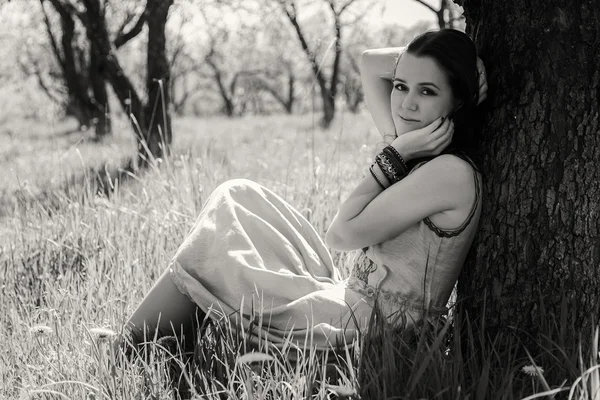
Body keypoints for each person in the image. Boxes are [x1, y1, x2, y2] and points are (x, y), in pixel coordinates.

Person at [123, 28, 488, 354]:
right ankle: (163, 337)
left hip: (372, 328)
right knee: (239, 196)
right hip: (355, 299)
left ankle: (135, 342)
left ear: (457, 101)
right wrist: (468, 64)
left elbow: (340, 234)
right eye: (401, 85)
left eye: (427, 91)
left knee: (221, 240)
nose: (406, 104)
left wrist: (393, 154)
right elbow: (368, 63)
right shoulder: (420, 145)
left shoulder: (446, 171)